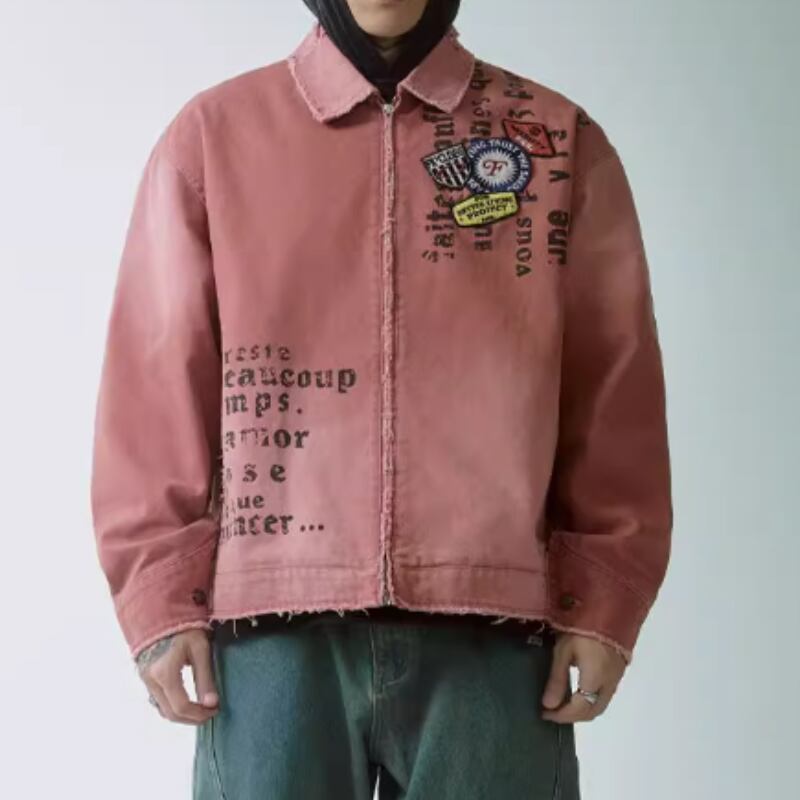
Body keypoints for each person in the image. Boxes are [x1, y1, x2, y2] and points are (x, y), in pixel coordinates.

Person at [90, 0, 673, 797]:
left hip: (494, 633)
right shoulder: (213, 138)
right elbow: (155, 378)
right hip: (271, 636)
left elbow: (613, 384)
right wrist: (160, 593)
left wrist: (602, 595)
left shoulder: (553, 138)